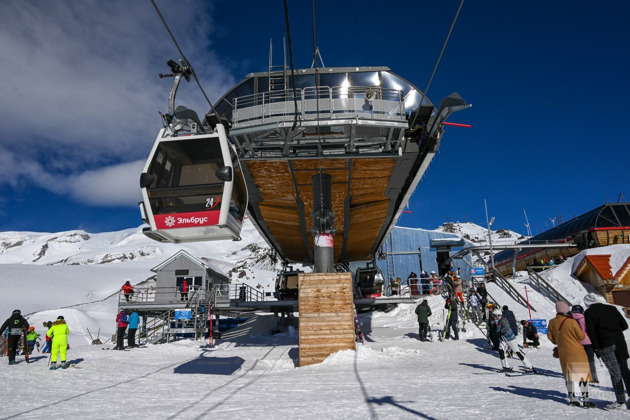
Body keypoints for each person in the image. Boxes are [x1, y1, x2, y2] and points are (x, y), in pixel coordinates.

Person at [584, 292, 630, 410]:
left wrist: (596, 348)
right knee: (625, 370)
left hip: (605, 345)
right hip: (620, 343)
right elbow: (625, 325)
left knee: (615, 373)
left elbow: (591, 332)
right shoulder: (612, 308)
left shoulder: (589, 313)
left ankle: (620, 402)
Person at [548, 301, 594, 408]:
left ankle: (573, 400)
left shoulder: (552, 322)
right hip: (577, 352)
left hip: (564, 353)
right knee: (582, 377)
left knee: (569, 377)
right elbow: (581, 336)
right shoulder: (571, 322)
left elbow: (551, 339)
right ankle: (586, 401)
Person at [494, 308, 535, 373]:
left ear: (498, 315)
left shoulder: (503, 320)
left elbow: (506, 327)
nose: (494, 317)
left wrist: (500, 332)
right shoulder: (499, 320)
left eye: (495, 316)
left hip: (510, 338)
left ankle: (529, 367)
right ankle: (505, 367)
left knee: (517, 351)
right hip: (503, 339)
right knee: (501, 351)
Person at [570, 304, 599, 383]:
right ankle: (593, 377)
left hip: (576, 342)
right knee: (590, 359)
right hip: (587, 341)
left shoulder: (569, 320)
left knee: (579, 359)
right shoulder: (585, 318)